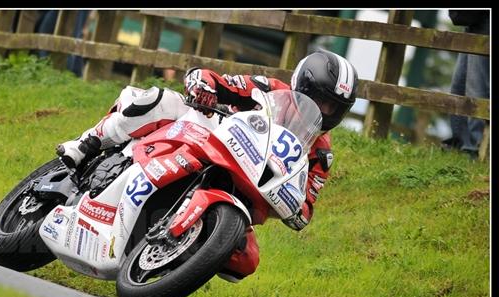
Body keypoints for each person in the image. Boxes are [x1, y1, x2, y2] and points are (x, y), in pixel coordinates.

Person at [56, 50, 358, 282]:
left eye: (334, 107)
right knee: (156, 101)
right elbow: (218, 81)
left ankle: (173, 257)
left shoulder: (321, 154)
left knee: (245, 261)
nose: (324, 110)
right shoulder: (267, 89)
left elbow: (306, 207)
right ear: (301, 85)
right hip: (207, 138)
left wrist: (295, 209)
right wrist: (204, 85)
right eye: (319, 99)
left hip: (245, 190)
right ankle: (86, 145)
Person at [442, 10, 489, 159]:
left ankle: (473, 149)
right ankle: (461, 142)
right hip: (473, 21)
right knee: (458, 86)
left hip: (485, 21)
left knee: (477, 88)